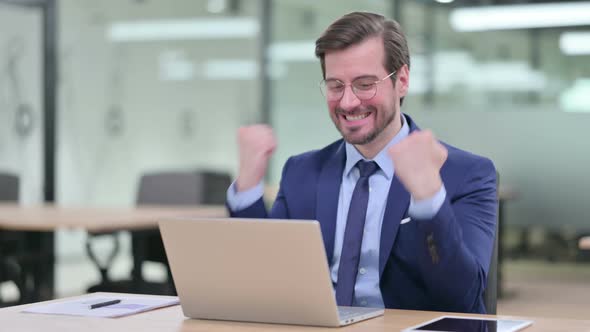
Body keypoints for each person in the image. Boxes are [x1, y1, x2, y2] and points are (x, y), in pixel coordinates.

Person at [226, 11, 497, 314]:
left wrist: (429, 199)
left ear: (402, 80)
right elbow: (264, 277)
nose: (348, 102)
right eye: (335, 85)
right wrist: (249, 184)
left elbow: (462, 298)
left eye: (365, 84)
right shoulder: (301, 172)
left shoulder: (466, 173)